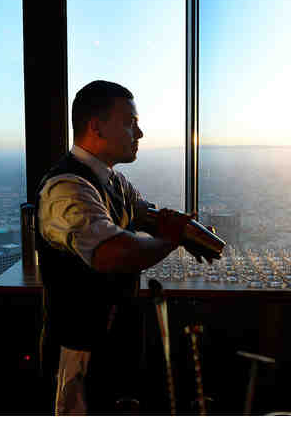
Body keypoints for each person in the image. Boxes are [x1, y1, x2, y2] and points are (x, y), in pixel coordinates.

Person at [35, 80, 212, 415]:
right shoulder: (66, 188)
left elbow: (148, 216)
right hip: (78, 352)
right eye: (130, 123)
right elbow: (113, 253)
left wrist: (191, 235)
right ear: (96, 127)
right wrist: (172, 239)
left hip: (114, 343)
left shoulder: (114, 182)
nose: (139, 133)